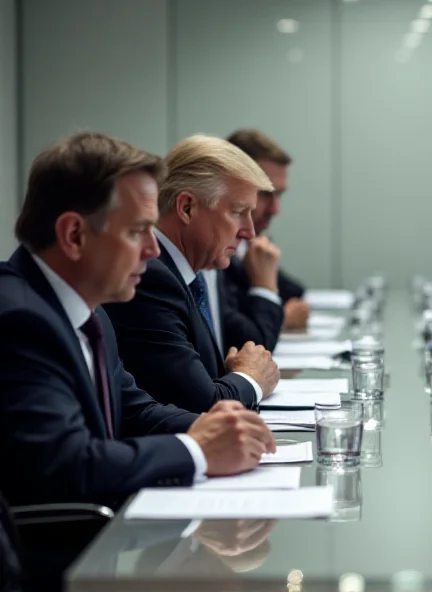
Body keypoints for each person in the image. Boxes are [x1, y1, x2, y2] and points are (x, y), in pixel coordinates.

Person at [0, 132, 276, 511]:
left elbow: (135, 412)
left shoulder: (91, 313)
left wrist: (214, 426)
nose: (152, 249)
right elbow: (68, 464)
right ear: (74, 235)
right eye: (136, 231)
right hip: (57, 558)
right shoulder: (20, 320)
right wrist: (196, 450)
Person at [104, 135, 281, 414]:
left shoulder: (194, 273)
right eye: (238, 212)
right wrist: (251, 379)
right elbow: (201, 404)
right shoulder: (151, 277)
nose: (249, 232)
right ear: (187, 207)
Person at [226, 129, 310, 330]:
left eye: (278, 195)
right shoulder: (213, 254)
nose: (275, 209)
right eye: (264, 193)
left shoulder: (248, 246)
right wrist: (282, 317)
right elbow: (241, 335)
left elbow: (295, 291)